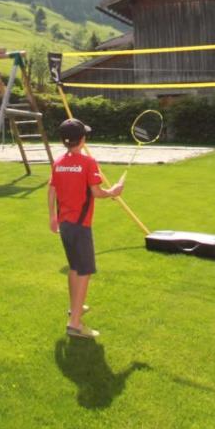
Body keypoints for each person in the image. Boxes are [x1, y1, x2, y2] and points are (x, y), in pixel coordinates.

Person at [48, 118, 125, 340]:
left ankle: (75, 309)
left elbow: (51, 190)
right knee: (84, 271)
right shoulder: (89, 163)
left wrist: (52, 216)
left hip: (65, 225)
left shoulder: (59, 162)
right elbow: (97, 192)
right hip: (80, 226)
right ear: (82, 139)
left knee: (74, 267)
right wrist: (114, 191)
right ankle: (74, 324)